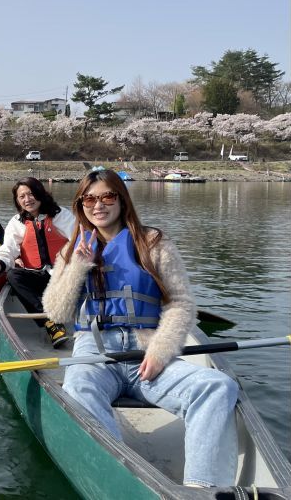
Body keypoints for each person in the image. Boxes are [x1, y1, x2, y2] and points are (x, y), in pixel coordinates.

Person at [42, 169, 238, 488]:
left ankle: (202, 489)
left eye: (107, 196)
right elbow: (55, 310)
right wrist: (79, 266)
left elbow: (181, 304)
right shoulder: (72, 249)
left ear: (121, 199)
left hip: (146, 352)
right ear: (80, 205)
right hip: (96, 352)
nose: (98, 205)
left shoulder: (153, 242)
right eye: (89, 199)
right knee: (78, 389)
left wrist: (161, 352)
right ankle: (122, 480)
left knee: (218, 387)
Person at [0, 177, 74, 347]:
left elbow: (80, 241)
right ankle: (50, 321)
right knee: (13, 275)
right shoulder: (17, 223)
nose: (27, 199)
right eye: (22, 197)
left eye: (31, 194)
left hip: (62, 277)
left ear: (40, 194)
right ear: (17, 201)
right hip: (37, 277)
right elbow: (8, 250)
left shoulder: (62, 216)